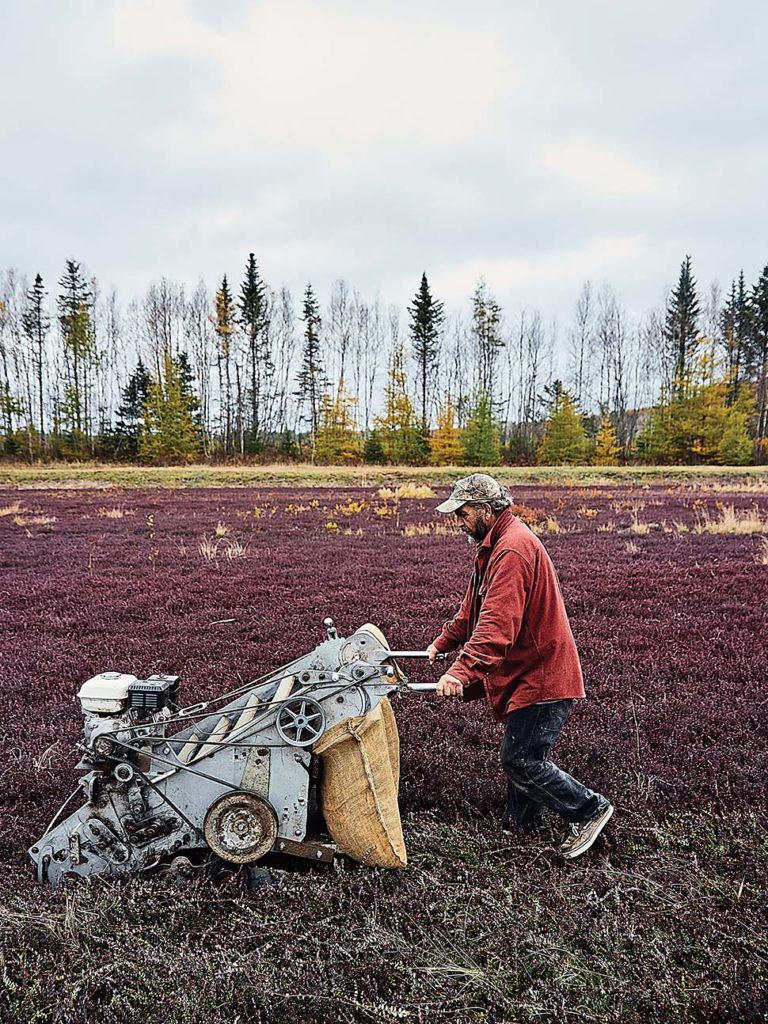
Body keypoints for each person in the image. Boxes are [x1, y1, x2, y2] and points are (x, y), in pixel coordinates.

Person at [427, 473, 613, 859]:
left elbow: (497, 626)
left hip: (542, 675)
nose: (457, 522)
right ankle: (522, 827)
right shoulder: (492, 546)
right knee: (522, 755)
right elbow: (472, 610)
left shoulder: (512, 550)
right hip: (528, 672)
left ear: (484, 510)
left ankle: (589, 809)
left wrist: (460, 672)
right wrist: (444, 642)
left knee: (521, 760)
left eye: (461, 514)